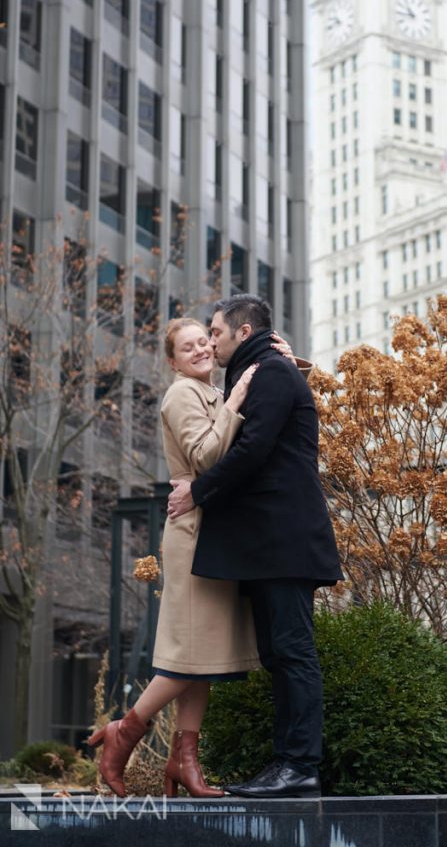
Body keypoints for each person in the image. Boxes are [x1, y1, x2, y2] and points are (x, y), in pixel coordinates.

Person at [89, 317, 301, 798]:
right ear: (173, 361)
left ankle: (184, 762)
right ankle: (124, 732)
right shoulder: (183, 394)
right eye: (188, 347)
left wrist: (284, 362)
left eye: (205, 341)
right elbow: (206, 457)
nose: (202, 350)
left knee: (201, 657)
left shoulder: (211, 391)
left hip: (216, 533)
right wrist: (238, 399)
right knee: (186, 658)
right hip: (193, 535)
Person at [168, 294, 343, 799]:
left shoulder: (270, 373)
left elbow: (252, 449)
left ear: (243, 333)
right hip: (271, 543)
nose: (211, 342)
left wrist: (197, 491)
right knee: (279, 653)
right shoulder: (267, 371)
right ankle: (287, 762)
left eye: (216, 333)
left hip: (284, 541)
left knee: (292, 652)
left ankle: (300, 765)